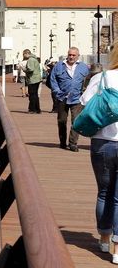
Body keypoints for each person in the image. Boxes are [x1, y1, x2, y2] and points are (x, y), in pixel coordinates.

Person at [80, 49, 118, 259]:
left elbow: (84, 101)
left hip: (102, 142)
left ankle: (104, 240)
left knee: (104, 192)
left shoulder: (102, 77)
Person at [50, 46, 91, 151]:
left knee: (76, 121)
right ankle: (62, 142)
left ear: (78, 56)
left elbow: (88, 81)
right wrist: (57, 92)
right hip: (62, 98)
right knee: (62, 121)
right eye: (70, 55)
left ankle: (73, 143)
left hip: (77, 98)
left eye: (73, 55)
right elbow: (53, 80)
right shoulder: (59, 66)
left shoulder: (84, 67)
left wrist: (85, 93)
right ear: (67, 55)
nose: (71, 57)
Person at [22, 49, 42, 113]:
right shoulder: (35, 59)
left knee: (32, 95)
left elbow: (31, 69)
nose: (23, 56)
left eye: (23, 54)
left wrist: (24, 69)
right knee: (35, 94)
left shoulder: (30, 60)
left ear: (26, 54)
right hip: (37, 78)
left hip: (33, 79)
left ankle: (32, 109)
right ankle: (37, 109)